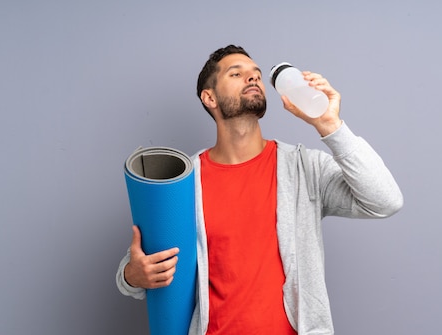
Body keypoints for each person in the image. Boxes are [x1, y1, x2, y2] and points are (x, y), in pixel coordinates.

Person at [116, 45, 403, 334]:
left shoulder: (303, 167)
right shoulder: (185, 180)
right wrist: (132, 276)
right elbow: (140, 263)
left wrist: (330, 125)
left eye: (256, 74)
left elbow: (385, 201)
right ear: (209, 97)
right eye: (237, 73)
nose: (252, 79)